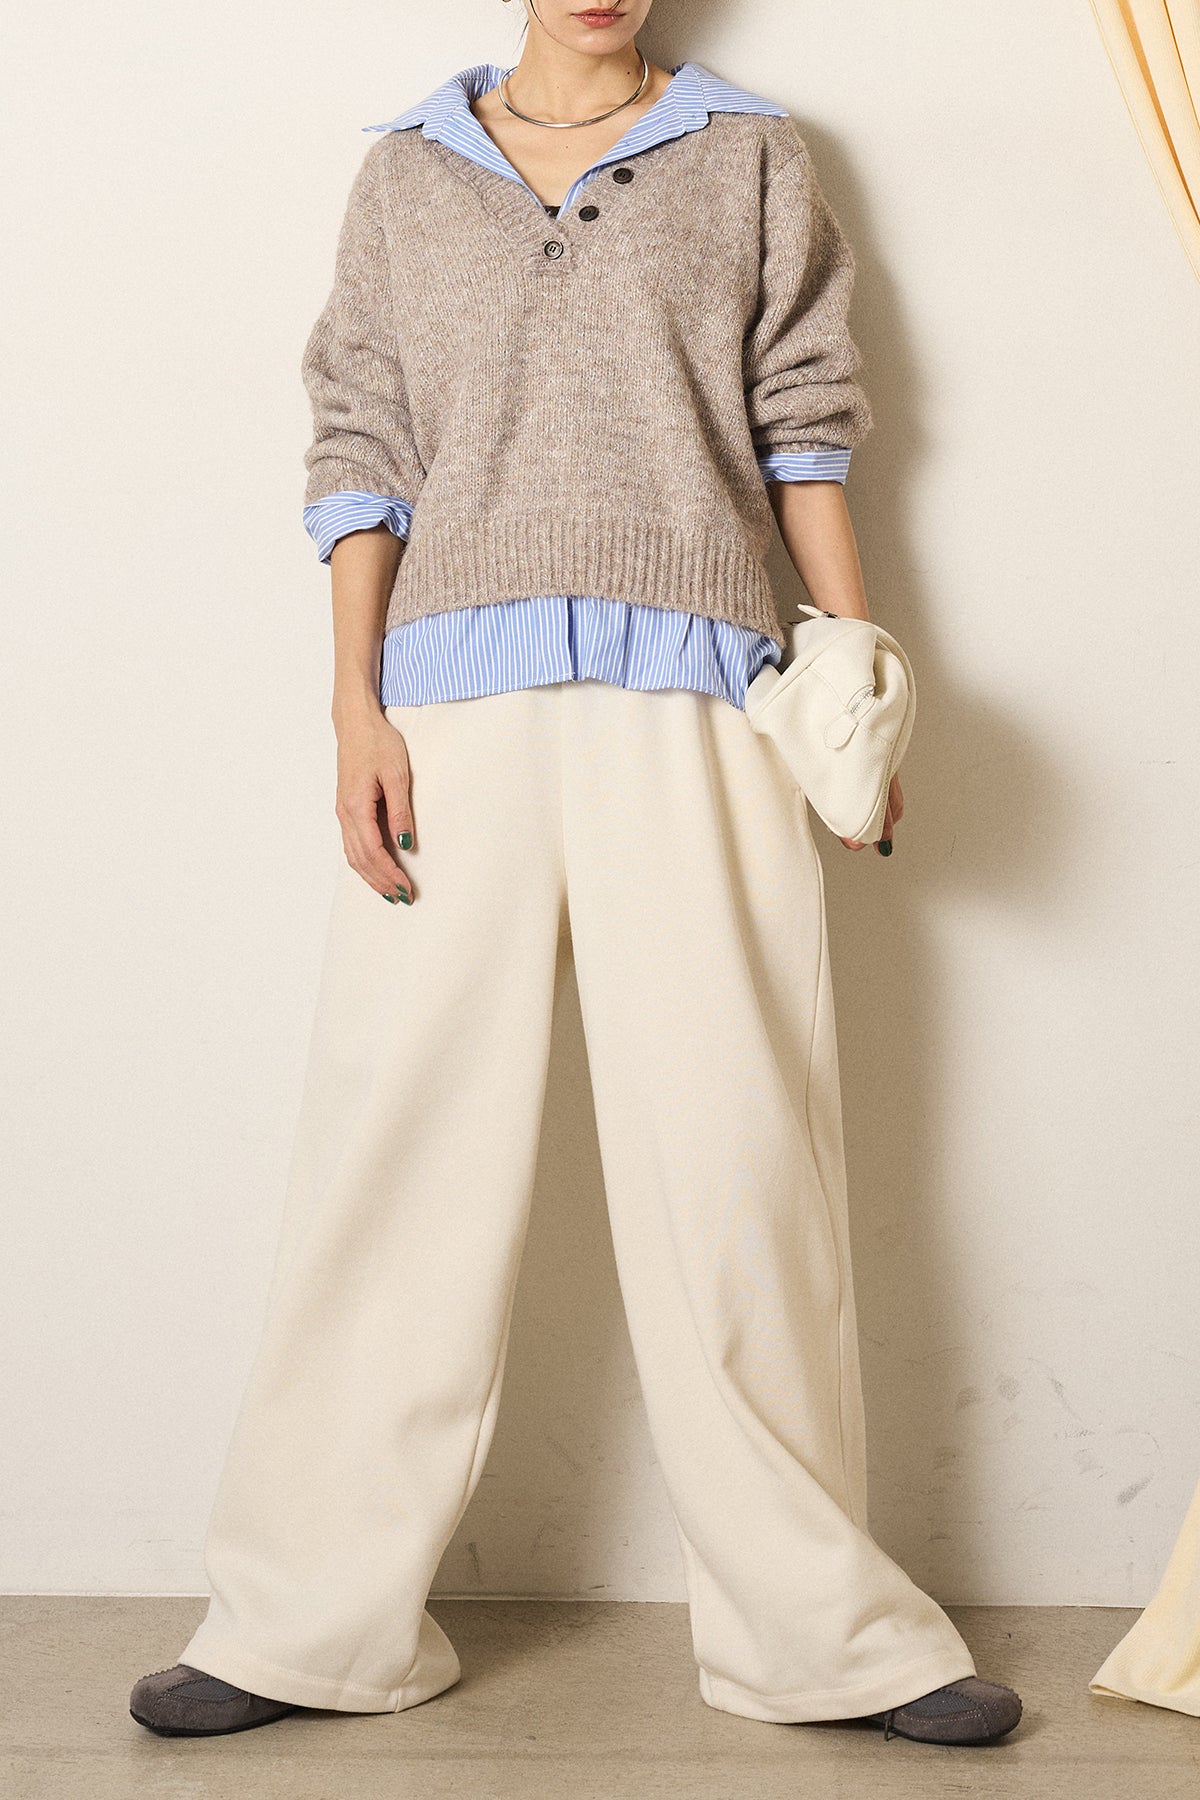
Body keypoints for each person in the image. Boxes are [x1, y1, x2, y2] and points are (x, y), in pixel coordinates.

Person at [129, 0, 1022, 1749]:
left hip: (698, 694)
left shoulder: (751, 155)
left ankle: (820, 1639)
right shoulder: (408, 175)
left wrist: (853, 674)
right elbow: (362, 443)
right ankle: (307, 1622)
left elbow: (803, 422)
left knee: (738, 1154)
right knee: (396, 1144)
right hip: (450, 711)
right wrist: (354, 708)